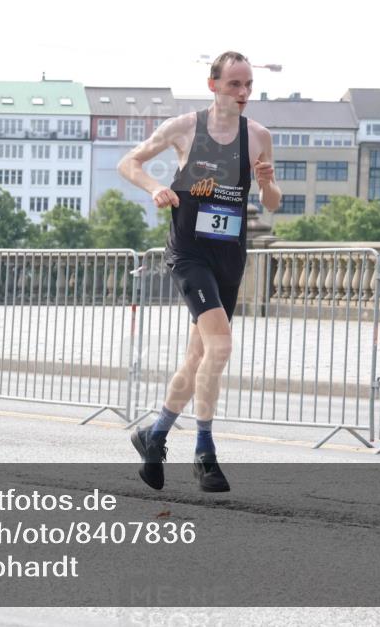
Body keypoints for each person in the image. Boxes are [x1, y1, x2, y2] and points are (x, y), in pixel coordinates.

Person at [118, 51, 282, 492]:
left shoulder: (258, 136)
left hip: (229, 256)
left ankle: (153, 436)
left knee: (199, 357)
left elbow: (272, 203)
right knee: (222, 347)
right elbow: (129, 163)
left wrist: (266, 182)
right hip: (190, 253)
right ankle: (205, 452)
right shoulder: (185, 128)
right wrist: (156, 188)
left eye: (248, 85)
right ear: (213, 85)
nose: (244, 93)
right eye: (234, 84)